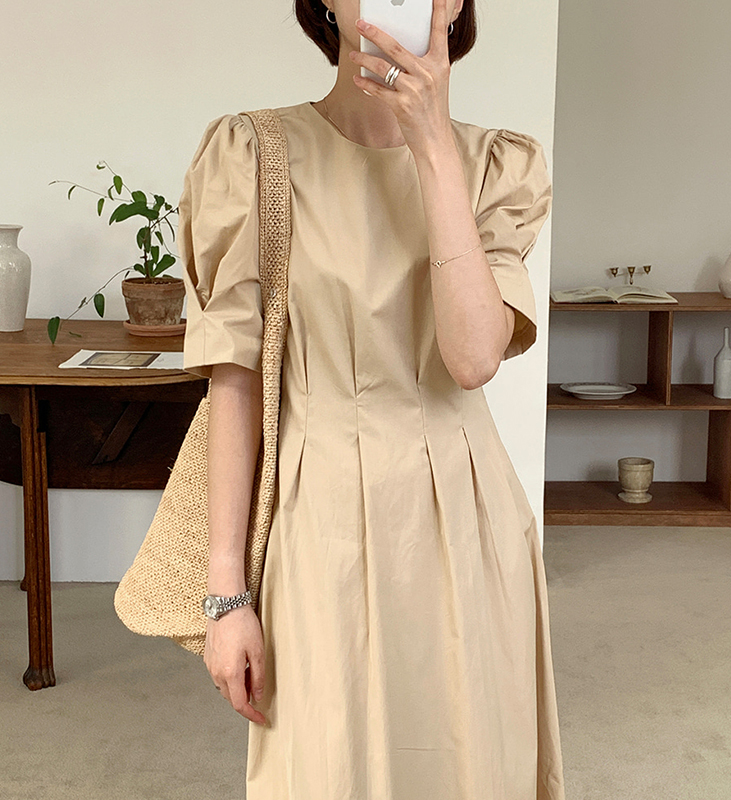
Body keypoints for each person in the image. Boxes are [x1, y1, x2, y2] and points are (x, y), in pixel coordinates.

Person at [178, 0, 565, 796]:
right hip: (318, 524)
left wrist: (433, 144)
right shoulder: (253, 155)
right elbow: (234, 380)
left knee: (469, 766)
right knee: (328, 769)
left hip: (466, 519)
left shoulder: (495, 165)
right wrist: (225, 597)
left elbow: (472, 357)